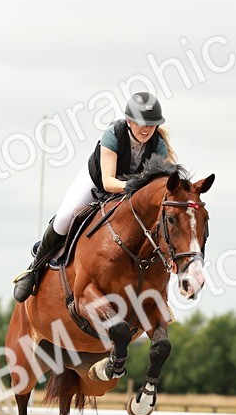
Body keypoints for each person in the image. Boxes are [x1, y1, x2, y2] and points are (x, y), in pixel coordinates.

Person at [12, 91, 177, 302]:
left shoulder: (158, 145)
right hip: (96, 182)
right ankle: (34, 270)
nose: (146, 129)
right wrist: (138, 188)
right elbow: (109, 182)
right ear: (129, 121)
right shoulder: (113, 134)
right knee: (64, 218)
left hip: (129, 192)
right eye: (141, 123)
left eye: (151, 125)